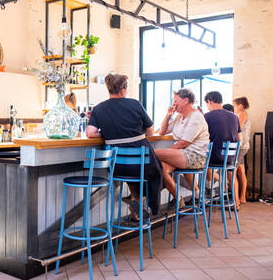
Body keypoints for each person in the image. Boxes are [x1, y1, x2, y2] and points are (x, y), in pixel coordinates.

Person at [86, 74, 163, 219]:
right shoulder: (135, 104)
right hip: (141, 162)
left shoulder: (98, 108)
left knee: (133, 174)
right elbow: (151, 132)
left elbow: (90, 133)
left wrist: (109, 133)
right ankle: (141, 202)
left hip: (116, 166)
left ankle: (136, 202)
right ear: (123, 89)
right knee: (157, 171)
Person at [155, 88, 210, 208]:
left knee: (152, 153)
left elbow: (184, 143)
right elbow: (162, 132)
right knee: (161, 168)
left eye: (176, 100)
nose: (174, 103)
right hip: (182, 154)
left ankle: (140, 194)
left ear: (185, 100)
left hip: (195, 156)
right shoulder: (179, 117)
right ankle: (178, 199)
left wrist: (167, 152)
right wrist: (168, 115)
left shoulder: (197, 116)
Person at [204, 91, 242, 209]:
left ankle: (208, 192)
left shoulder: (207, 116)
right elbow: (240, 139)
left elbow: (201, 136)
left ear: (209, 102)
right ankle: (236, 203)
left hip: (214, 157)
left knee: (203, 164)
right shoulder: (234, 117)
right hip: (230, 157)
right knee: (232, 175)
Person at [233, 97, 251, 204]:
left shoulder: (242, 114)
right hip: (243, 146)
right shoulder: (241, 114)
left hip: (240, 146)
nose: (234, 107)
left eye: (235, 105)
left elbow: (237, 128)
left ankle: (236, 201)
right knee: (241, 171)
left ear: (240, 105)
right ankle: (242, 197)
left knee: (232, 172)